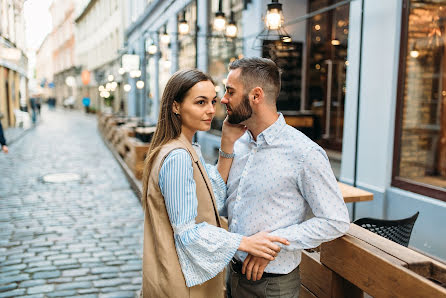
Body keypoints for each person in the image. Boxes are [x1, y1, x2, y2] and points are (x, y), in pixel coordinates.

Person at [140, 69, 289, 297]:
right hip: (184, 285)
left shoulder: (181, 148)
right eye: (200, 102)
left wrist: (227, 144)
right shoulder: (178, 156)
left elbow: (211, 199)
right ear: (175, 106)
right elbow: (187, 232)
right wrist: (246, 243)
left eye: (212, 101)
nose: (211, 110)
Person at [221, 57, 350, 298]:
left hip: (272, 287)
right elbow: (227, 207)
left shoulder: (304, 153)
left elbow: (336, 220)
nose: (223, 99)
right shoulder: (237, 144)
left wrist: (272, 244)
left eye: (230, 91)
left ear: (256, 96)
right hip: (233, 275)